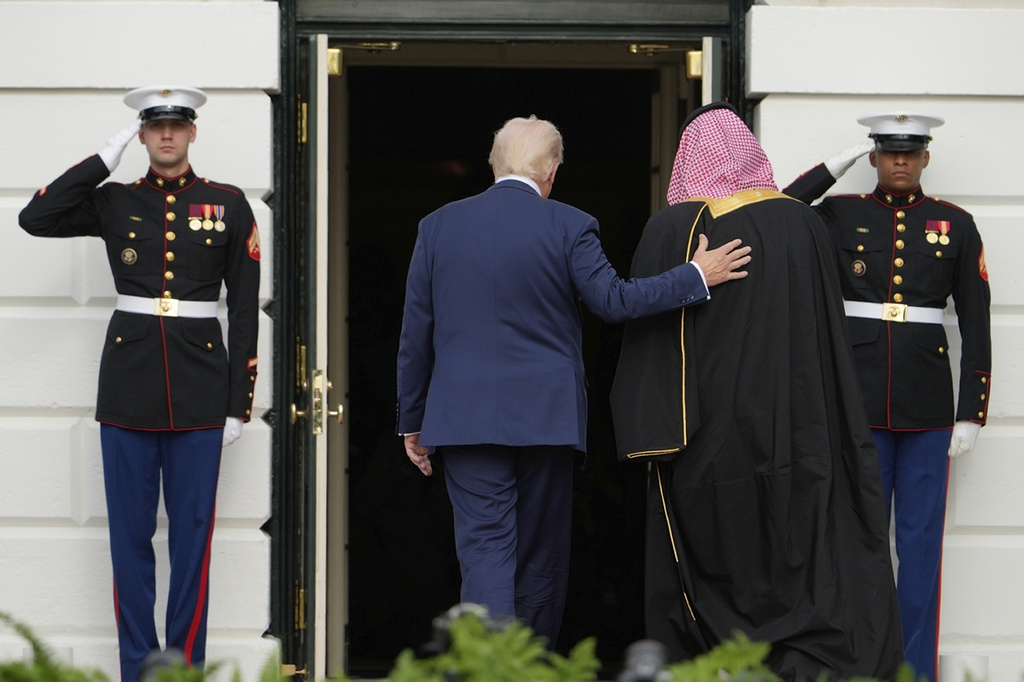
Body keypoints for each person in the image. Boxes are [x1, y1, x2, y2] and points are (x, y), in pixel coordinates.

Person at [395, 115, 752, 648]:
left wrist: (412, 420)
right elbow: (615, 301)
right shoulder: (569, 224)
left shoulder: (438, 225)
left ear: (494, 166)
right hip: (546, 419)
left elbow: (415, 332)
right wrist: (695, 275)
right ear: (553, 171)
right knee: (540, 556)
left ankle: (491, 669)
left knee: (485, 552)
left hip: (463, 418)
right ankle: (532, 664)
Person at [610, 102, 904, 680]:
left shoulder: (676, 227)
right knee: (798, 554)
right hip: (801, 431)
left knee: (716, 555)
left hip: (704, 433)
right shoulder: (801, 224)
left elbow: (643, 330)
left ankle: (714, 663)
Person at [19, 86, 261, 682]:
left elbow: (247, 310)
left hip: (203, 394)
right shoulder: (113, 201)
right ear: (143, 135)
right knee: (128, 548)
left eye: (177, 125)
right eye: (155, 128)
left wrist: (240, 404)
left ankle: (182, 671)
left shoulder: (228, 205)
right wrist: (103, 160)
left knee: (191, 549)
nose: (167, 136)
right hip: (127, 390)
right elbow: (35, 218)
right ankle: (138, 672)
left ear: (193, 132)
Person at [783, 111, 992, 682]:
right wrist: (832, 167)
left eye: (911, 151)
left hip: (927, 410)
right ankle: (858, 666)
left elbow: (976, 322)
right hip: (857, 405)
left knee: (921, 551)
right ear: (873, 157)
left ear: (926, 157)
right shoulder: (838, 214)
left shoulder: (956, 224)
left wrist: (970, 412)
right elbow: (779, 212)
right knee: (857, 546)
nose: (900, 160)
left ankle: (914, 673)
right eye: (888, 151)